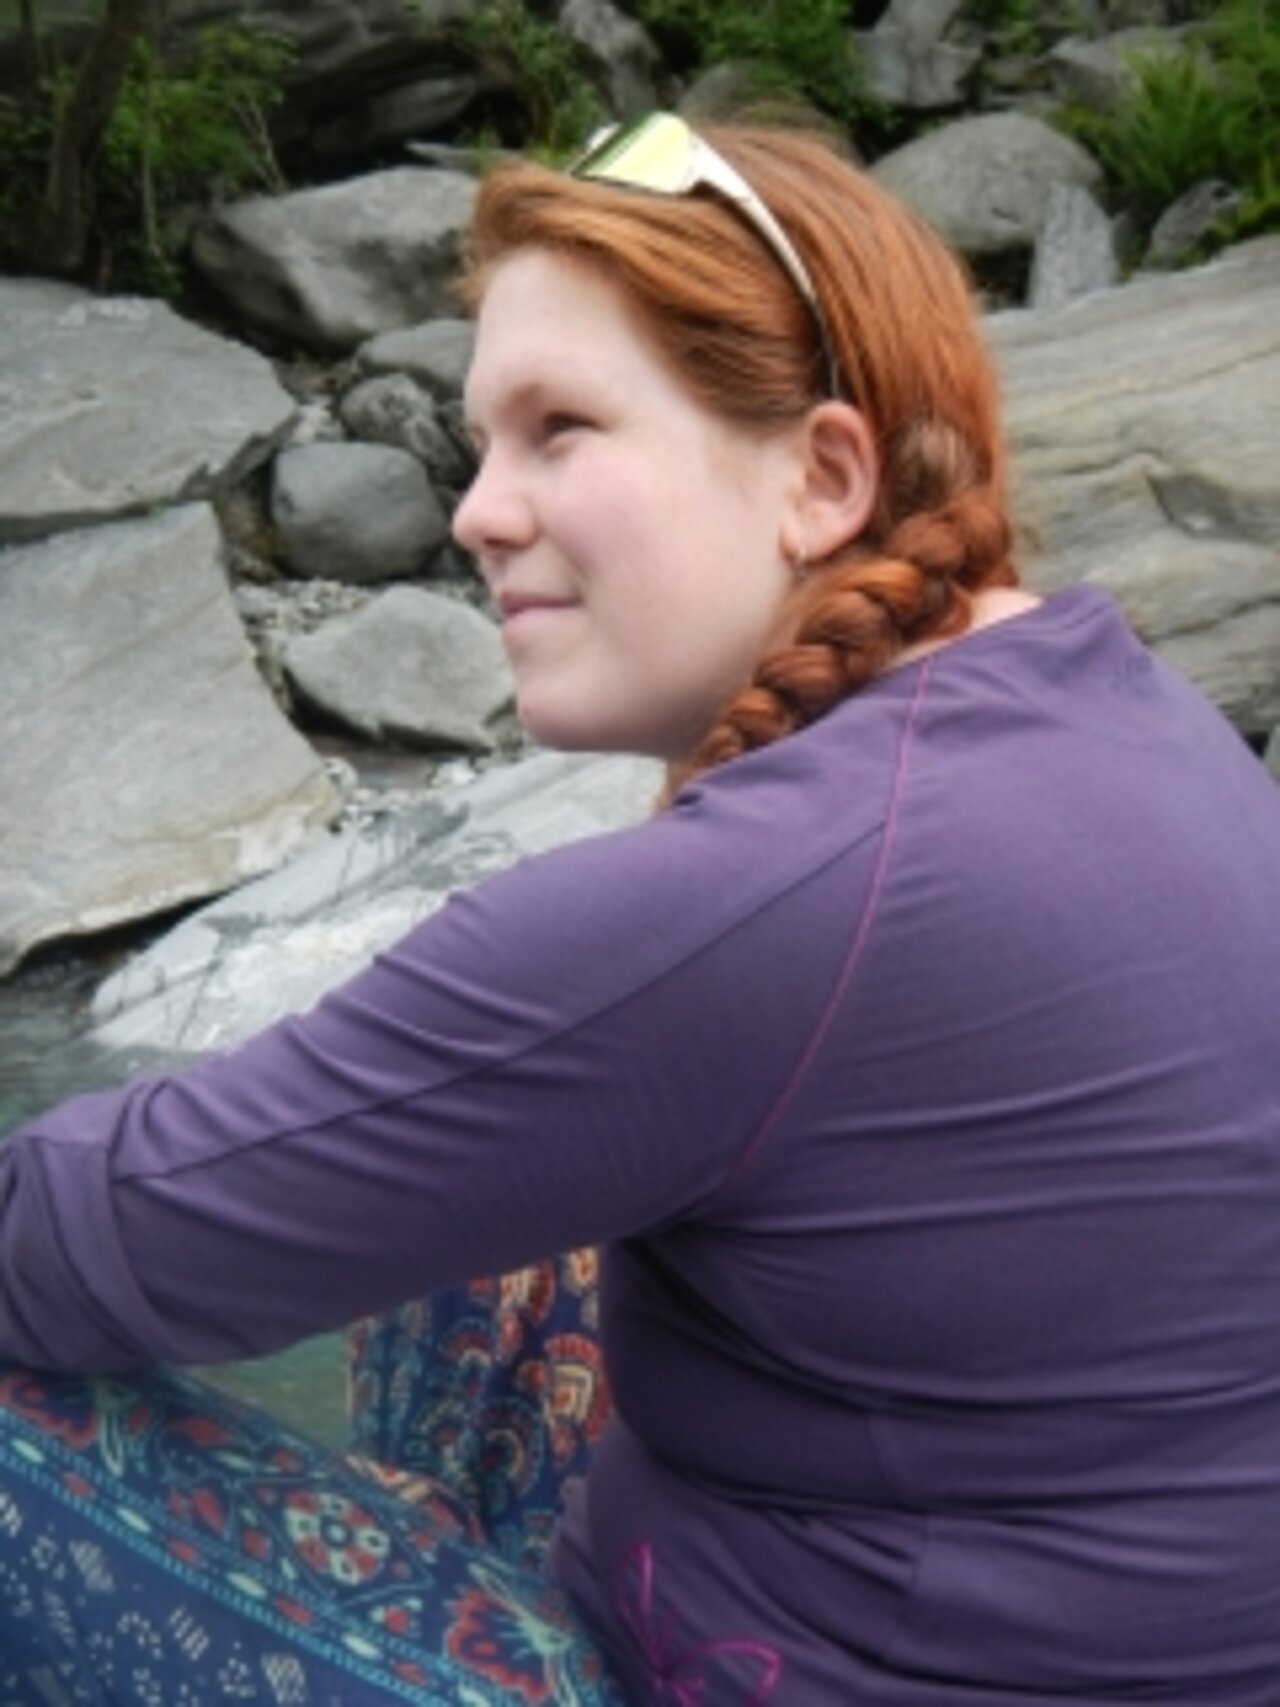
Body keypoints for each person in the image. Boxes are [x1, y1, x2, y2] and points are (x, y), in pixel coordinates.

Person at [2, 110, 1279, 1705]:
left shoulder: (754, 904)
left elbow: (60, 1243)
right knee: (479, 1161)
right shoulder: (1120, 709)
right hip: (1003, 1598)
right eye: (482, 444)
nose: (476, 512)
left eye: (560, 430)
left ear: (824, 476)